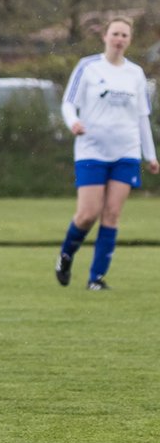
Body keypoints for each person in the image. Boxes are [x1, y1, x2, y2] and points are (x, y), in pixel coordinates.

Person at [54, 17, 158, 290]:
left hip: (126, 151)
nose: (119, 39)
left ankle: (96, 278)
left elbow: (142, 117)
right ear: (105, 37)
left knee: (111, 214)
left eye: (125, 34)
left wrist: (151, 155)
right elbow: (68, 103)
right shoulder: (88, 67)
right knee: (88, 214)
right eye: (115, 33)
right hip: (92, 150)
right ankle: (66, 255)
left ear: (129, 40)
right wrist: (73, 122)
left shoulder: (135, 74)